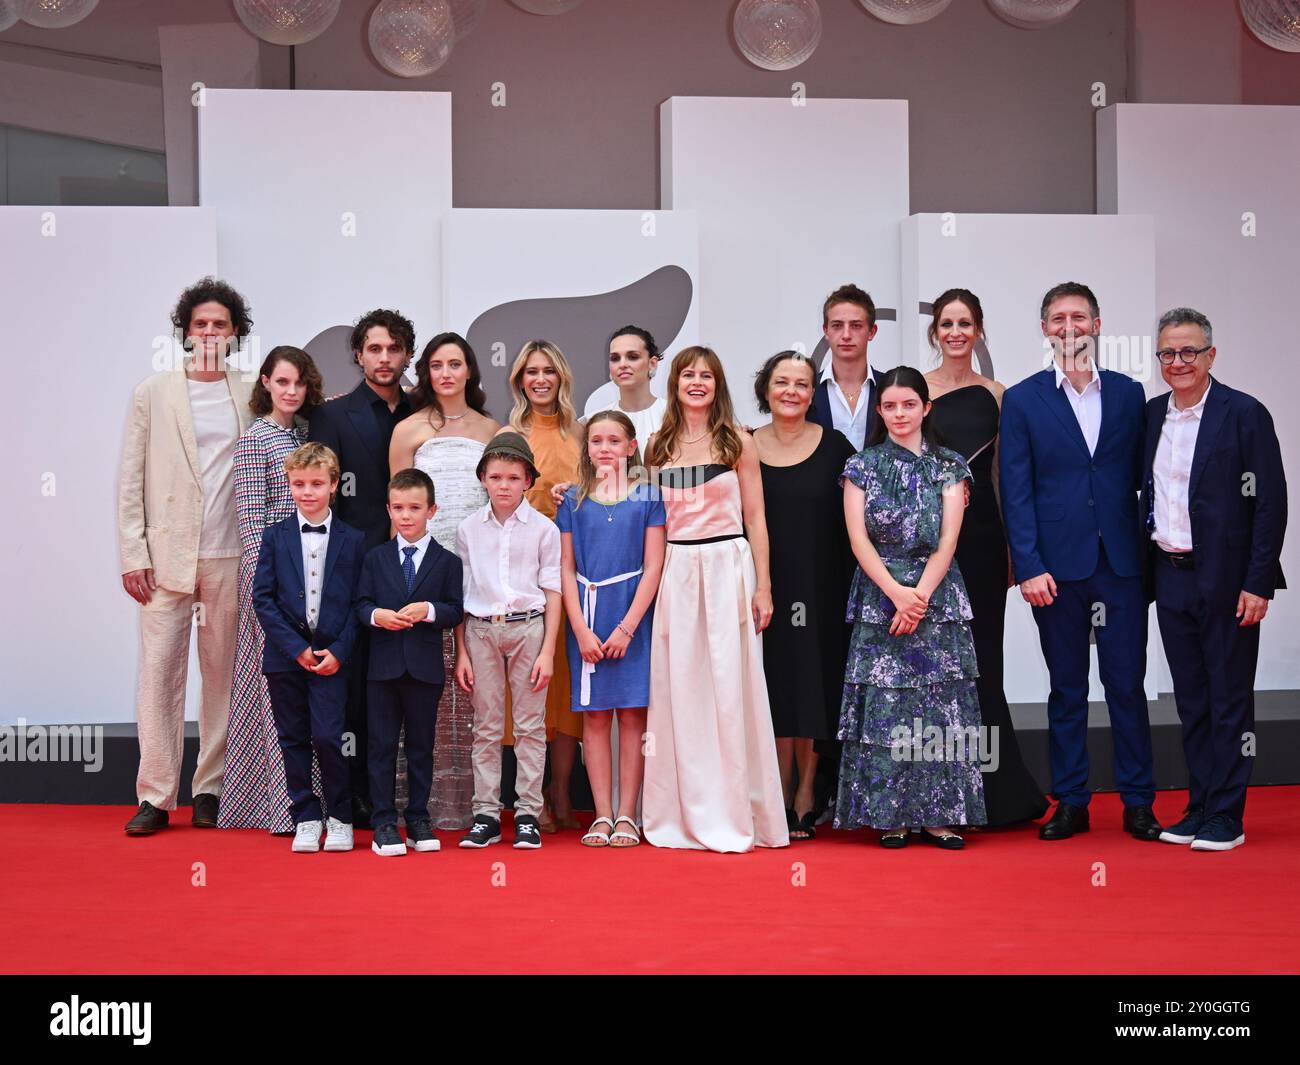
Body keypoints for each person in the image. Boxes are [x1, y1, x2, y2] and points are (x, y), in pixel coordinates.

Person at [999, 282, 1161, 842]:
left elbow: (1145, 478)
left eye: (1079, 317)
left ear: (1097, 324)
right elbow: (1014, 490)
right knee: (1066, 688)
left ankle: (1139, 802)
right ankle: (1071, 800)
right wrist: (1028, 565)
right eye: (1058, 318)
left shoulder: (1128, 394)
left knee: (1127, 686)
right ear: (1045, 329)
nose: (1069, 326)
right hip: (1055, 571)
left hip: (1120, 565)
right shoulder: (1022, 400)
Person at [1141, 308, 1286, 852]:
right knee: (1192, 700)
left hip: (1228, 581)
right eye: (1168, 354)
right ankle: (1200, 803)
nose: (1178, 362)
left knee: (1230, 700)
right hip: (1170, 574)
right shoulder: (1153, 416)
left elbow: (1270, 504)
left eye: (1189, 352)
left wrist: (1258, 582)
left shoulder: (1244, 414)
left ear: (1211, 355)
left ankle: (1228, 813)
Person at [119, 278, 256, 835]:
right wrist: (134, 551)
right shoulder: (152, 392)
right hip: (166, 555)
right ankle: (155, 794)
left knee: (222, 675)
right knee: (158, 675)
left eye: (219, 324)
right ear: (185, 330)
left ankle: (212, 788)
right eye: (200, 324)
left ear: (235, 333)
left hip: (231, 553)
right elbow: (131, 477)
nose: (208, 332)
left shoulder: (250, 393)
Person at [641, 346, 789, 852]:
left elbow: (757, 518)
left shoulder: (738, 442)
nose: (697, 382)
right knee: (680, 690)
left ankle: (738, 809)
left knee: (731, 688)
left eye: (706, 375)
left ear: (717, 383)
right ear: (675, 382)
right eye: (688, 374)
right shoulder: (657, 446)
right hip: (677, 574)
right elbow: (651, 525)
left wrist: (764, 586)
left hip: (729, 569)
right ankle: (681, 811)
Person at [837, 367, 986, 848]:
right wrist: (896, 595)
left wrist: (917, 596)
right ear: (880, 412)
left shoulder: (950, 466)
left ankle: (940, 816)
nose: (900, 414)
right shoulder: (861, 465)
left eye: (909, 405)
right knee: (889, 707)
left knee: (939, 707)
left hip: (936, 597)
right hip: (880, 595)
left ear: (926, 408)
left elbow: (948, 540)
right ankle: (891, 815)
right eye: (890, 406)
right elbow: (858, 540)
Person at [924, 289, 1048, 827]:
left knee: (981, 665)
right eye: (947, 323)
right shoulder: (911, 389)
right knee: (933, 669)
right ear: (935, 331)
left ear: (978, 330)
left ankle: (995, 797)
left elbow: (1006, 478)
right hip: (925, 546)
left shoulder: (998, 394)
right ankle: (934, 795)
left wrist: (1016, 553)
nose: (955, 332)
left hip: (981, 543)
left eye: (965, 323)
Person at [308, 309, 416, 827]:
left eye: (394, 349)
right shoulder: (331, 416)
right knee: (353, 694)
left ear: (407, 355)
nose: (384, 358)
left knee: (406, 690)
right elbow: (322, 498)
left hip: (414, 574)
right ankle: (348, 804)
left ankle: (405, 799)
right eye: (374, 349)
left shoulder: (425, 414)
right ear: (358, 354)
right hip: (353, 576)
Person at [390, 332, 499, 830]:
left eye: (456, 363)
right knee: (419, 687)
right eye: (436, 365)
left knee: (471, 688)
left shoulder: (492, 429)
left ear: (470, 370)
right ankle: (416, 806)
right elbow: (398, 508)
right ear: (427, 373)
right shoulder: (409, 430)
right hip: (422, 569)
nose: (447, 373)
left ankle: (475, 805)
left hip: (475, 569)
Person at [220, 346, 326, 832]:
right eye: (282, 382)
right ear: (265, 383)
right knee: (274, 690)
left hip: (315, 575)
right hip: (272, 582)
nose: (291, 391)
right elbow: (250, 521)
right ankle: (278, 806)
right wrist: (271, 585)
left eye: (299, 383)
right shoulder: (254, 441)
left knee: (309, 686)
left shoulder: (306, 434)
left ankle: (313, 801)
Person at [751, 351, 856, 841]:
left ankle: (807, 792)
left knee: (814, 684)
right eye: (781, 382)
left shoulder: (836, 447)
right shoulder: (745, 445)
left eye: (802, 384)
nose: (791, 391)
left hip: (822, 585)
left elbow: (855, 522)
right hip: (764, 586)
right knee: (773, 684)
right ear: (766, 389)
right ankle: (777, 784)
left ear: (813, 395)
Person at [556, 411, 666, 847]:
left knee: (633, 719)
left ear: (631, 447)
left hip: (631, 617)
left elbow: (654, 565)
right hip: (586, 616)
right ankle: (601, 814)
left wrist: (627, 627)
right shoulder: (572, 501)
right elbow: (565, 569)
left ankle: (628, 814)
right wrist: (581, 630)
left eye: (614, 441)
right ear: (586, 448)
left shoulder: (648, 498)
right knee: (596, 718)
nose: (604, 448)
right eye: (596, 440)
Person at [251, 443, 366, 853]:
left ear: (334, 485)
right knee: (292, 738)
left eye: (317, 483)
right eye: (299, 484)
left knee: (329, 737)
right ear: (289, 485)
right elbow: (262, 598)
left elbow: (359, 603)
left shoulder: (354, 540)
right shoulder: (275, 536)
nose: (308, 492)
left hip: (333, 659)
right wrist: (295, 647)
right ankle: (305, 815)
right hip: (286, 659)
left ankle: (339, 817)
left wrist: (339, 651)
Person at [455, 433, 563, 850]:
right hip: (481, 630)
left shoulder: (544, 529)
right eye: (495, 476)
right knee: (486, 725)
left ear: (528, 482)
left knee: (530, 726)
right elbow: (463, 594)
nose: (504, 485)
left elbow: (553, 589)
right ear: (483, 478)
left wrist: (549, 650)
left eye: (513, 477)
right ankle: (485, 813)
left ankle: (527, 815)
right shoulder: (468, 529)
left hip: (529, 628)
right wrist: (462, 651)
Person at [357, 468, 465, 857]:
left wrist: (430, 610)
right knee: (381, 746)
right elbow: (360, 605)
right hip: (382, 670)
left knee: (421, 747)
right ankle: (384, 821)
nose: (406, 516)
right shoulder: (375, 558)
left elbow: (456, 610)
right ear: (388, 509)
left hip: (424, 670)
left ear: (432, 510)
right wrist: (376, 617)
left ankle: (419, 818)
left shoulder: (448, 562)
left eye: (415, 508)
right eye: (399, 508)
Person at [500, 340, 583, 831]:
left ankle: (563, 792)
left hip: (576, 568)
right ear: (519, 380)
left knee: (568, 687)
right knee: (532, 686)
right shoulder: (509, 434)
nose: (540, 379)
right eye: (531, 371)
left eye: (549, 370)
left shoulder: (581, 434)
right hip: (525, 571)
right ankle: (534, 798)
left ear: (562, 377)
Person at [809, 283, 884, 451]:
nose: (846, 335)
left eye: (856, 326)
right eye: (837, 325)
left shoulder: (890, 388)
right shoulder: (806, 390)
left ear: (872, 331)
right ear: (826, 331)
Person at [582, 325, 667, 445]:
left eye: (632, 357)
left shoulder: (675, 416)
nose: (622, 364)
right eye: (615, 358)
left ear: (652, 364)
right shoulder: (590, 422)